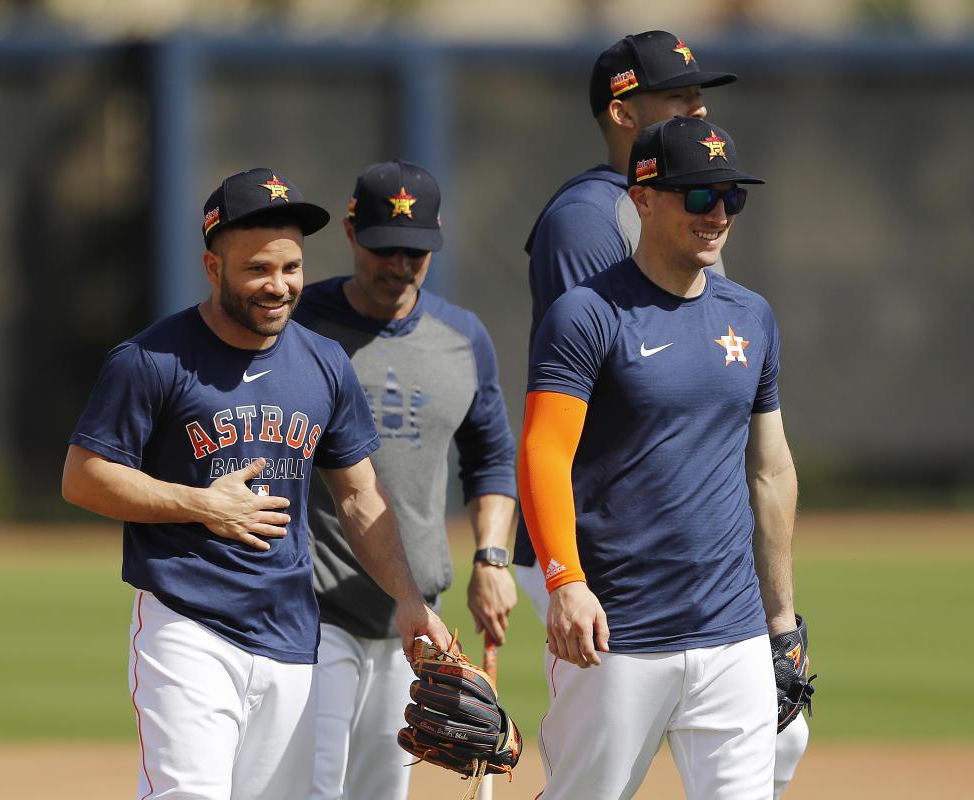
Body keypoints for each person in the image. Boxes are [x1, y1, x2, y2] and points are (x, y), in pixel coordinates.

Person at [61, 167, 451, 800]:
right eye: (258, 270)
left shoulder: (323, 363)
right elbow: (83, 477)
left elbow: (358, 494)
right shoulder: (152, 359)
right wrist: (200, 503)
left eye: (291, 267)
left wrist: (408, 598)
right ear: (214, 269)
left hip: (293, 632)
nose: (279, 286)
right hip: (188, 623)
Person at [514, 31, 810, 796]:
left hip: (732, 632)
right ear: (641, 199)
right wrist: (564, 581)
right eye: (700, 196)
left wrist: (782, 623)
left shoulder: (753, 314)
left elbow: (771, 468)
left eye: (731, 196)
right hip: (619, 630)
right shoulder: (588, 313)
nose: (718, 214)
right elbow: (544, 452)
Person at [292, 159, 519, 800]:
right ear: (349, 232)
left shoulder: (463, 338)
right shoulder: (299, 325)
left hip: (417, 623)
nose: (397, 265)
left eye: (414, 251)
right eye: (383, 248)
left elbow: (492, 461)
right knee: (308, 789)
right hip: (315, 611)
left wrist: (493, 558)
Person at [515, 29, 735, 609]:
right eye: (678, 97)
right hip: (605, 540)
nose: (699, 108)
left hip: (671, 536)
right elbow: (605, 388)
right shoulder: (588, 218)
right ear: (622, 112)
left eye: (699, 94)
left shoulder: (688, 209)